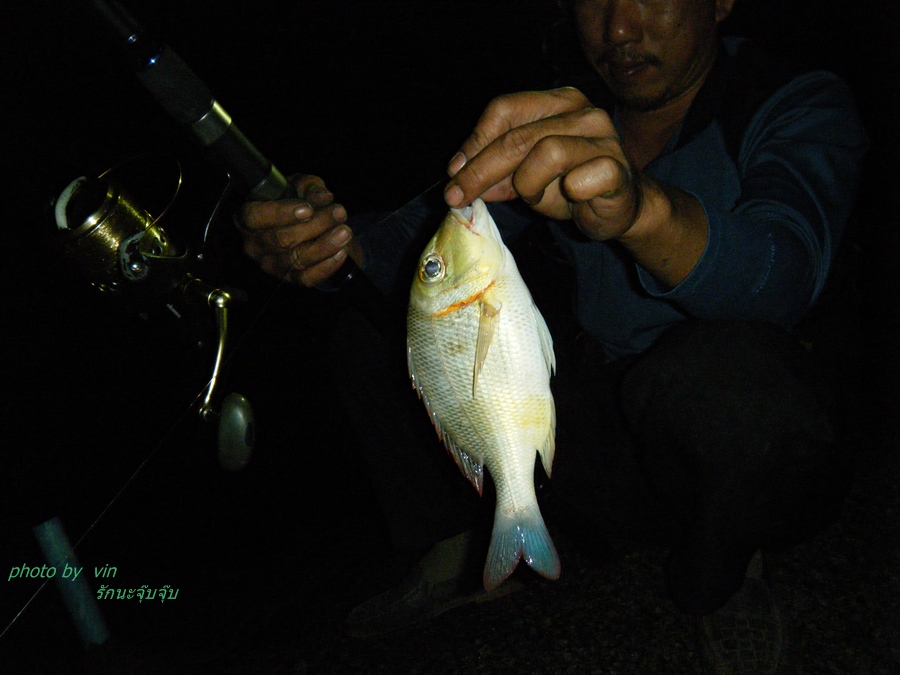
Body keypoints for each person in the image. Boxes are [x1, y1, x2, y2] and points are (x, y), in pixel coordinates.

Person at [238, 0, 867, 671]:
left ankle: (724, 572)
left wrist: (640, 210)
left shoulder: (797, 101)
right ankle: (465, 543)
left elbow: (784, 271)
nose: (618, 28)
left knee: (737, 381)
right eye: (593, 0)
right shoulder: (563, 115)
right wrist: (329, 245)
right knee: (382, 330)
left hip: (708, 418)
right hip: (584, 408)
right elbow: (419, 244)